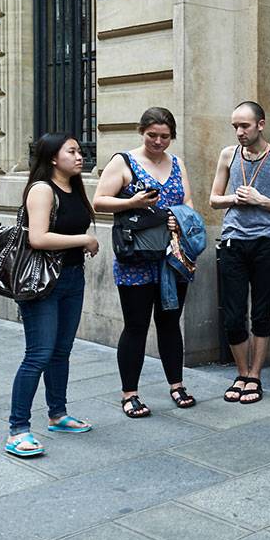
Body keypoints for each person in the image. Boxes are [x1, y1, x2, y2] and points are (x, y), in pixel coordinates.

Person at [94, 108, 198, 418]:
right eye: (152, 135)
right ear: (142, 131)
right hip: (136, 258)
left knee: (170, 323)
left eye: (165, 136)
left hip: (172, 259)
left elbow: (187, 201)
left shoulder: (177, 163)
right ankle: (130, 394)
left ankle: (177, 385)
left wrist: (181, 218)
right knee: (136, 326)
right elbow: (99, 201)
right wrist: (132, 202)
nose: (158, 141)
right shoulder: (123, 162)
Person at [5, 133, 99, 457]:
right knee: (38, 354)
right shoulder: (42, 189)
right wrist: (84, 240)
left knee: (61, 352)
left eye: (79, 150)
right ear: (53, 158)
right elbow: (39, 238)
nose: (79, 156)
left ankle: (58, 414)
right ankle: (18, 429)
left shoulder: (75, 188)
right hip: (42, 283)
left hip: (72, 278)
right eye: (71, 151)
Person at [209, 101, 270, 404]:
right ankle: (241, 373)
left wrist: (261, 200)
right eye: (235, 126)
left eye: (244, 126)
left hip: (266, 242)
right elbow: (213, 199)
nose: (239, 132)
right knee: (234, 316)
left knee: (261, 312)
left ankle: (255, 376)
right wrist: (235, 198)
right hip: (233, 241)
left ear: (261, 124)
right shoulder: (228, 154)